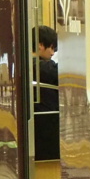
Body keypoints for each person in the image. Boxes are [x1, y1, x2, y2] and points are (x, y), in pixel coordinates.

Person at [33, 24, 59, 161]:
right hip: (46, 129)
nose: (53, 53)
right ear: (40, 45)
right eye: (52, 48)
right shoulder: (42, 67)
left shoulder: (22, 63)